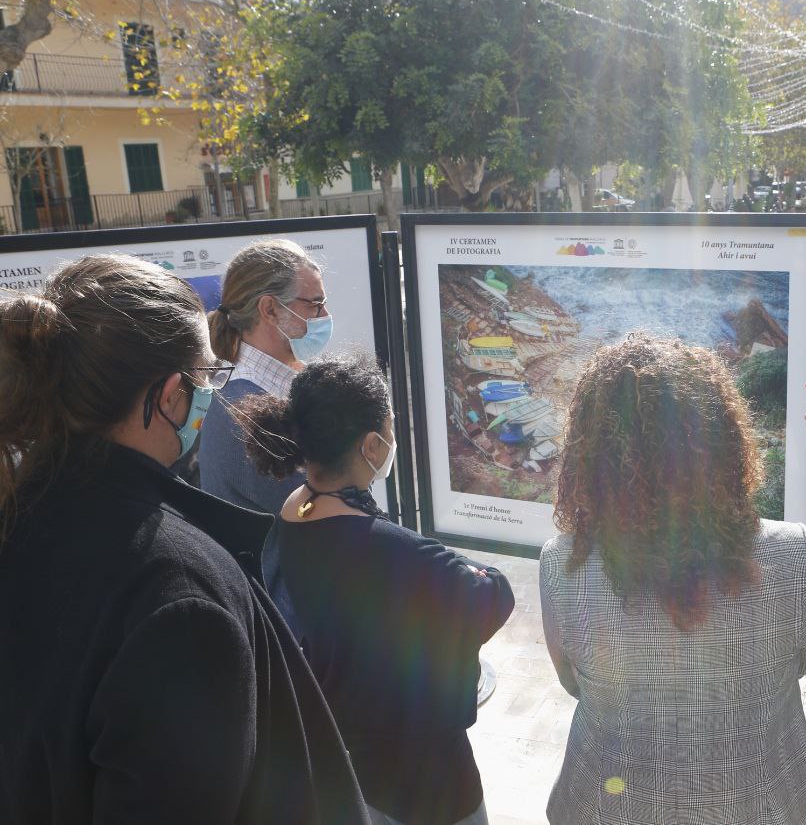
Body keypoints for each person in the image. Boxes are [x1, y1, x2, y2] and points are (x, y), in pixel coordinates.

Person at [0, 255, 368, 824]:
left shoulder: (22, 513)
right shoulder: (176, 594)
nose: (208, 395)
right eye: (205, 377)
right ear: (169, 394)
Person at [541, 334, 806, 825]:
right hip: (762, 804)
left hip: (609, 804)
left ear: (588, 452)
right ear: (725, 439)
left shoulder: (561, 564)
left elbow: (574, 683)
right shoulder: (793, 554)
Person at [238, 353, 514, 825]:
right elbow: (495, 596)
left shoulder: (295, 509)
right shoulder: (398, 554)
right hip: (428, 784)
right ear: (371, 445)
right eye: (390, 427)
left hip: (346, 767)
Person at [201, 238, 332, 513]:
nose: (325, 314)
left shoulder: (257, 386)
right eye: (315, 304)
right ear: (270, 309)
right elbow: (328, 515)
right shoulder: (247, 410)